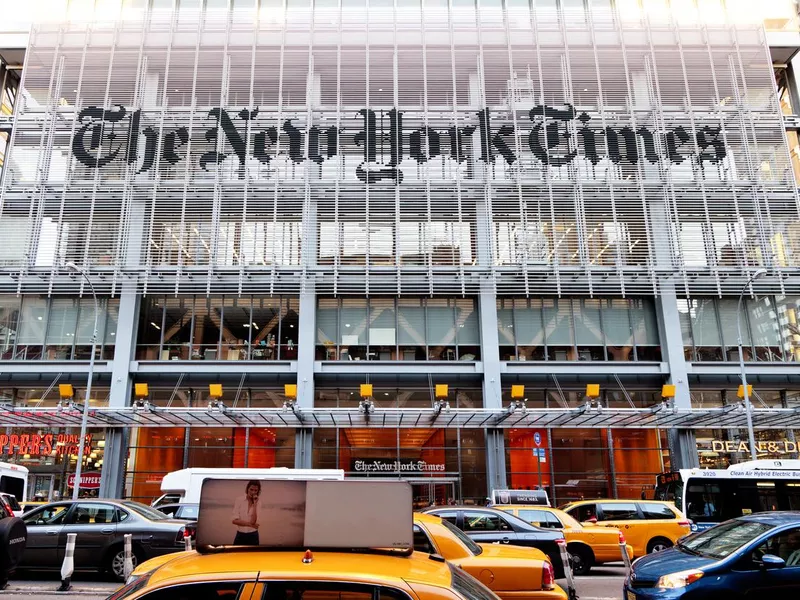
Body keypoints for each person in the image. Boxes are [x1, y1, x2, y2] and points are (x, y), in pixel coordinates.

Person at [231, 480, 261, 546]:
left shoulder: (258, 503)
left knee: (253, 556)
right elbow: (234, 521)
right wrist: (251, 525)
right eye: (251, 489)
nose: (253, 492)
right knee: (235, 555)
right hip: (240, 534)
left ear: (258, 491)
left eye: (255, 490)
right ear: (247, 489)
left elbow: (253, 521)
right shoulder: (239, 500)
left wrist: (255, 504)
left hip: (253, 535)